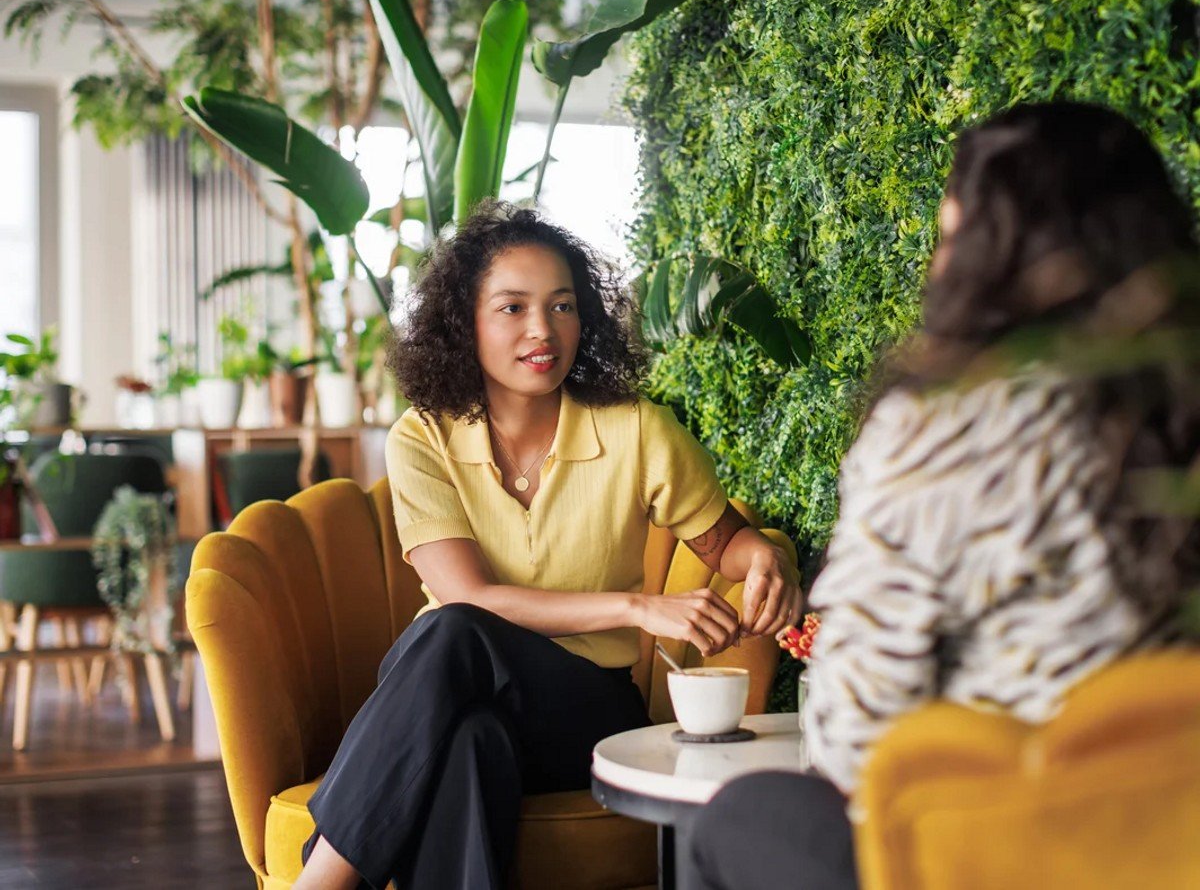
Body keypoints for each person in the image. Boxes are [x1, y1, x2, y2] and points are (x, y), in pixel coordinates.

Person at [685, 101, 1200, 890]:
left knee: (741, 817)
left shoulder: (941, 432)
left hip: (1003, 854)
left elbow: (854, 743)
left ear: (977, 250)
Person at [293, 200, 803, 890]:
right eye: (512, 308)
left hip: (584, 713)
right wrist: (638, 607)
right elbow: (467, 594)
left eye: (562, 307)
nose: (543, 330)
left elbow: (725, 544)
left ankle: (319, 881)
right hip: (452, 698)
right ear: (462, 323)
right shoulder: (422, 438)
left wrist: (764, 557)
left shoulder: (637, 428)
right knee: (471, 742)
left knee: (450, 635)